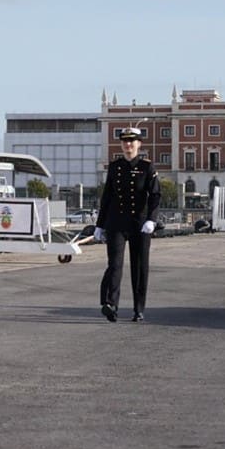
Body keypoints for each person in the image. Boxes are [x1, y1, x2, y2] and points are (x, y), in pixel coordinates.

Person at [94, 126, 161, 322]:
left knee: (139, 267)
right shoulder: (115, 167)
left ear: (139, 144)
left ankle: (138, 308)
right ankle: (110, 304)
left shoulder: (147, 167)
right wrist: (100, 225)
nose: (128, 144)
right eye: (124, 141)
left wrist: (152, 220)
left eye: (131, 141)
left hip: (140, 224)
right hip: (117, 222)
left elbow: (155, 195)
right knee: (114, 264)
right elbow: (107, 197)